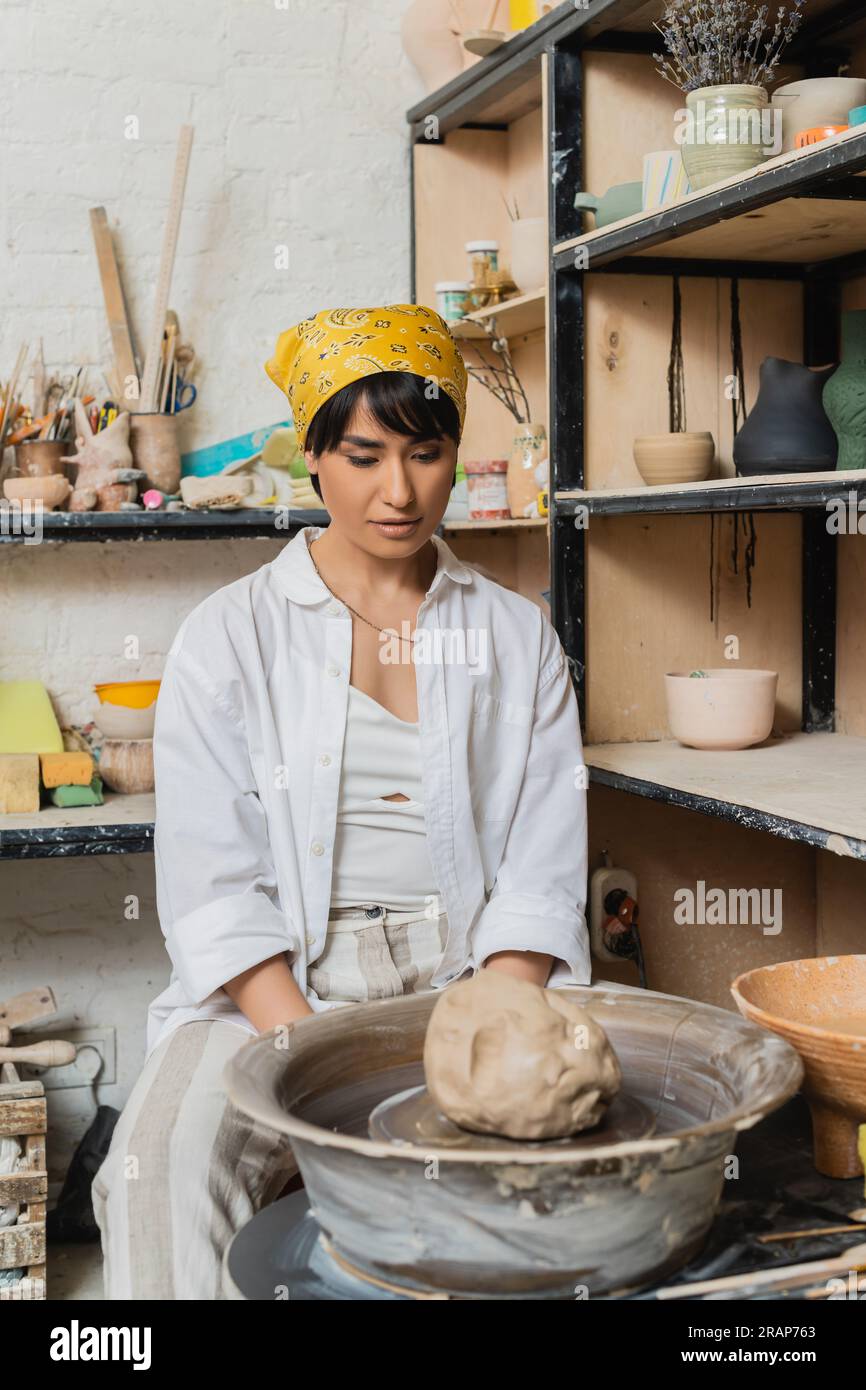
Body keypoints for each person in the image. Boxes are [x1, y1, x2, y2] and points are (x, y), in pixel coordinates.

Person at [91, 303, 590, 1299]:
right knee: (155, 1178)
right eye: (362, 456)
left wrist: (491, 1018)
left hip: (468, 978)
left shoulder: (512, 634)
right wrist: (306, 1053)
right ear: (312, 460)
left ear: (455, 456)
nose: (397, 491)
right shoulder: (229, 636)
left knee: (554, 1194)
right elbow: (213, 888)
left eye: (425, 453)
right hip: (265, 996)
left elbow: (541, 868)